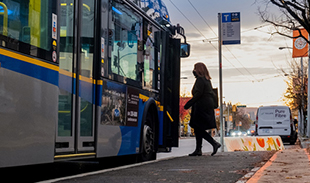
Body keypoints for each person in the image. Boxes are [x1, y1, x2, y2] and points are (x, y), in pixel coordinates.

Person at [184, 62, 221, 156]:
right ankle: (198, 149)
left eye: (195, 68)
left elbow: (198, 94)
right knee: (198, 128)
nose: (194, 70)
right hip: (207, 107)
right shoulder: (207, 80)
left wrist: (188, 104)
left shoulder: (200, 80)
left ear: (199, 70)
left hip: (201, 107)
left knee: (198, 128)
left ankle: (213, 143)